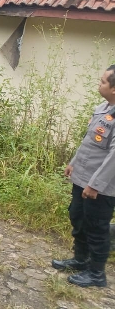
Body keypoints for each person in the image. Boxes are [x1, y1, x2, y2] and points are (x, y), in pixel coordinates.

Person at [52, 65, 115, 288]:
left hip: (100, 187)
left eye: (103, 81)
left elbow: (113, 157)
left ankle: (97, 275)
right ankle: (80, 260)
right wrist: (73, 163)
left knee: (97, 228)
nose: (99, 84)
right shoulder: (102, 108)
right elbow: (89, 142)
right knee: (77, 217)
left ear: (114, 88)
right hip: (82, 178)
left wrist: (95, 185)